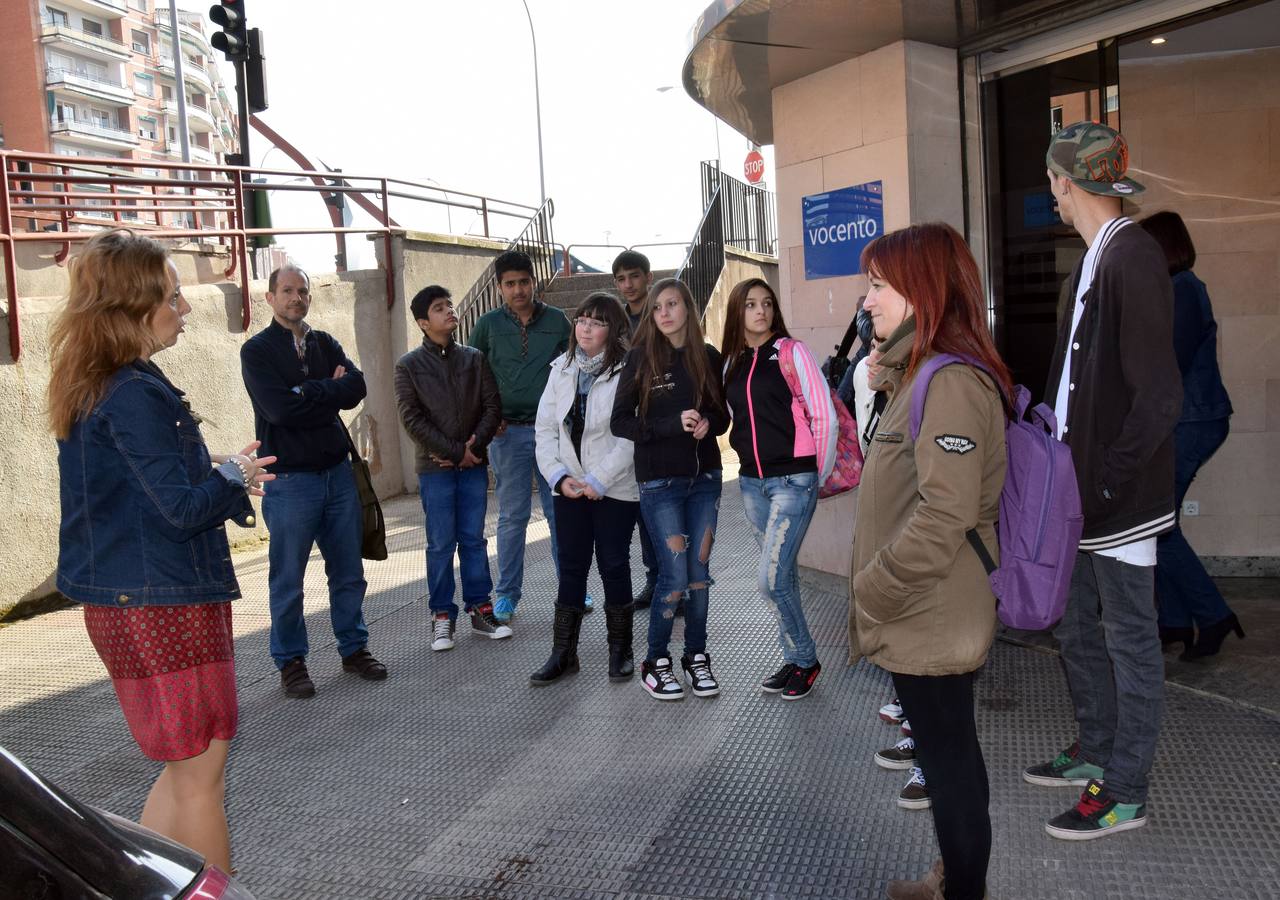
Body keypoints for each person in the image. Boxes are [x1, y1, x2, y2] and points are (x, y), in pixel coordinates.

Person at [50, 229, 275, 873]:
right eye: (174, 297)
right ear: (131, 309)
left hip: (148, 597)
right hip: (159, 601)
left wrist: (227, 472)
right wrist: (232, 478)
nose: (187, 307)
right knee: (201, 776)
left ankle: (137, 885)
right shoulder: (132, 393)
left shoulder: (110, 382)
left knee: (187, 773)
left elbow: (153, 493)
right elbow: (178, 510)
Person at [1025, 122, 1182, 843]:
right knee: (1076, 625)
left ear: (1065, 181)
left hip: (1117, 501)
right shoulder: (1091, 262)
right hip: (1078, 493)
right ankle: (1095, 749)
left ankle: (1124, 790)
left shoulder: (1133, 259)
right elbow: (1073, 383)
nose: (1050, 195)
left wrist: (1110, 486)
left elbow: (1158, 397)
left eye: (1050, 183)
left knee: (1129, 642)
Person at [848, 223, 1010, 900]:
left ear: (921, 292)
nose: (868, 301)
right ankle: (951, 882)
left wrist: (873, 592)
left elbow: (944, 514)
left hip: (930, 606)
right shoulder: (915, 375)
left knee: (947, 765)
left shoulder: (948, 385)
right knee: (949, 756)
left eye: (880, 285)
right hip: (925, 604)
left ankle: (962, 892)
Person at [241, 263, 387, 699]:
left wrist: (308, 391)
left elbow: (357, 387)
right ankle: (291, 662)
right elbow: (279, 411)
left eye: (302, 291)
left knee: (348, 572)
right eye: (286, 291)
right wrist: (328, 391)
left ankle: (354, 649)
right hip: (289, 483)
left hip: (337, 477)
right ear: (270, 298)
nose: (296, 298)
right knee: (288, 579)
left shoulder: (324, 342)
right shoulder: (258, 351)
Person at [611, 277, 729, 701]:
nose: (663, 312)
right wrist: (667, 425)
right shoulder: (640, 358)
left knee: (697, 575)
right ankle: (655, 660)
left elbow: (721, 415)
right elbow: (620, 421)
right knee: (675, 574)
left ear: (687, 309)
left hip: (705, 481)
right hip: (659, 483)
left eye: (672, 304)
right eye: (658, 306)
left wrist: (708, 424)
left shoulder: (709, 357)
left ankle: (696, 656)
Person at [720, 278, 835, 700]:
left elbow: (823, 415)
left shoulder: (791, 352)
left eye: (767, 303)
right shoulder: (731, 362)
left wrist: (813, 478)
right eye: (750, 304)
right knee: (782, 576)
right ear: (738, 311)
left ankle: (806, 659)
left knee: (770, 581)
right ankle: (793, 660)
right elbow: (729, 417)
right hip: (752, 482)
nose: (761, 311)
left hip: (793, 480)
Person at [1140, 211, 1243, 660]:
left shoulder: (1183, 289)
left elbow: (1170, 366)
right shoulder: (1178, 289)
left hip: (1192, 421)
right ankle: (1176, 622)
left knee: (1159, 526)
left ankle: (1213, 615)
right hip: (1190, 420)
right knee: (1162, 523)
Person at [394, 285, 510, 651]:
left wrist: (472, 447)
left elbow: (493, 406)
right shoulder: (409, 366)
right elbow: (411, 419)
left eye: (450, 305)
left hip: (473, 465)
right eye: (439, 308)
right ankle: (442, 616)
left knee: (474, 541)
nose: (449, 312)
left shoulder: (474, 358)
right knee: (441, 544)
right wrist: (453, 451)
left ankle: (481, 609)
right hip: (436, 470)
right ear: (422, 322)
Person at [531, 292, 638, 685]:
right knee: (572, 567)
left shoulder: (629, 370)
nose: (586, 328)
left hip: (615, 487)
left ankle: (620, 651)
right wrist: (559, 477)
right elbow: (545, 430)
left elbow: (630, 435)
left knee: (613, 563)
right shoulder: (560, 368)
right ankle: (564, 653)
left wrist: (599, 481)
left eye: (596, 321)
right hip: (570, 487)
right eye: (581, 320)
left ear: (614, 330)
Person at [468, 250, 572, 622]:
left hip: (552, 437)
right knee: (513, 517)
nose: (517, 290)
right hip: (506, 434)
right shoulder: (488, 325)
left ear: (534, 282)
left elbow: (575, 371)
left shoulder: (559, 322)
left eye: (523, 282)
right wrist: (485, 417)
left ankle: (572, 589)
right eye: (509, 284)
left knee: (560, 512)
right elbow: (473, 374)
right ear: (499, 288)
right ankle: (507, 595)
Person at [612, 249, 661, 611]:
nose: (628, 285)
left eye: (633, 276)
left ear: (648, 277)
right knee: (644, 510)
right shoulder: (615, 320)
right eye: (621, 279)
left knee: (662, 508)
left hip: (661, 417)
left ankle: (679, 583)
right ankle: (654, 580)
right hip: (627, 419)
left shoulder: (662, 312)